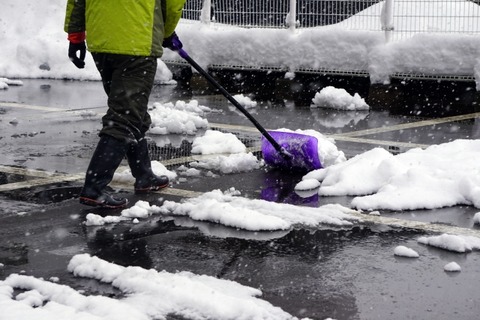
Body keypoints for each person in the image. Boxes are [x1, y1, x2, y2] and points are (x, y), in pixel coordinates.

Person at [64, 0, 186, 209]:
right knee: (125, 116)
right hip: (137, 40)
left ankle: (144, 176)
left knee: (131, 111)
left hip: (102, 41)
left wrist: (75, 36)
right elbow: (173, 4)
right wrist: (166, 32)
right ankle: (94, 187)